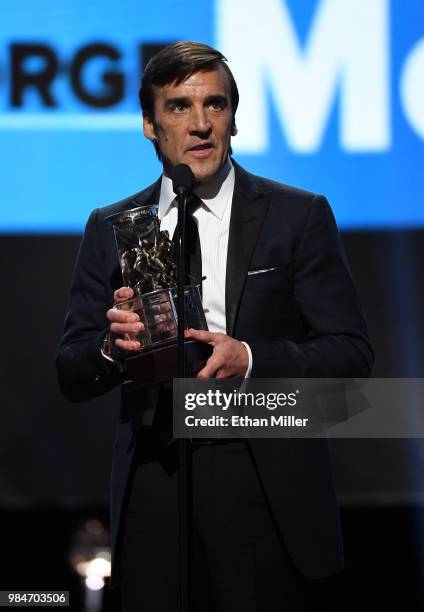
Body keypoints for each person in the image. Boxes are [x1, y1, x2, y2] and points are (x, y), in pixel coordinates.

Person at [56, 41, 374, 611]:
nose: (200, 124)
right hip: (156, 477)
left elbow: (351, 355)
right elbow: (71, 369)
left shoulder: (298, 216)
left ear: (233, 116)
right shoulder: (113, 227)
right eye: (179, 107)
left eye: (216, 105)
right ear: (149, 126)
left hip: (262, 476)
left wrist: (249, 359)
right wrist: (111, 347)